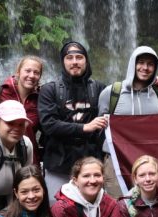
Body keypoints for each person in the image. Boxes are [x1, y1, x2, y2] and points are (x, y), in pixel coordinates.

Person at [39, 41, 107, 204]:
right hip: (58, 163)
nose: (74, 61)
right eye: (69, 58)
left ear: (86, 61)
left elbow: (122, 99)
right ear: (63, 62)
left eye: (79, 57)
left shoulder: (99, 89)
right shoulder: (50, 90)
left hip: (91, 163)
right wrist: (84, 127)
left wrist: (157, 83)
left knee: (92, 209)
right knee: (57, 209)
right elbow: (48, 124)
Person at [97, 46, 158, 198]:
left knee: (148, 203)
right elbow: (100, 128)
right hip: (115, 160)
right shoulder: (111, 92)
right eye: (140, 62)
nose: (145, 68)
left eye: (150, 64)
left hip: (148, 160)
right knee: (118, 202)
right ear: (132, 64)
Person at [1, 56, 44, 165]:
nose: (31, 75)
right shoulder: (0, 93)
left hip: (29, 159)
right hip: (1, 158)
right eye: (27, 71)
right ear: (18, 72)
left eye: (36, 72)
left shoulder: (41, 98)